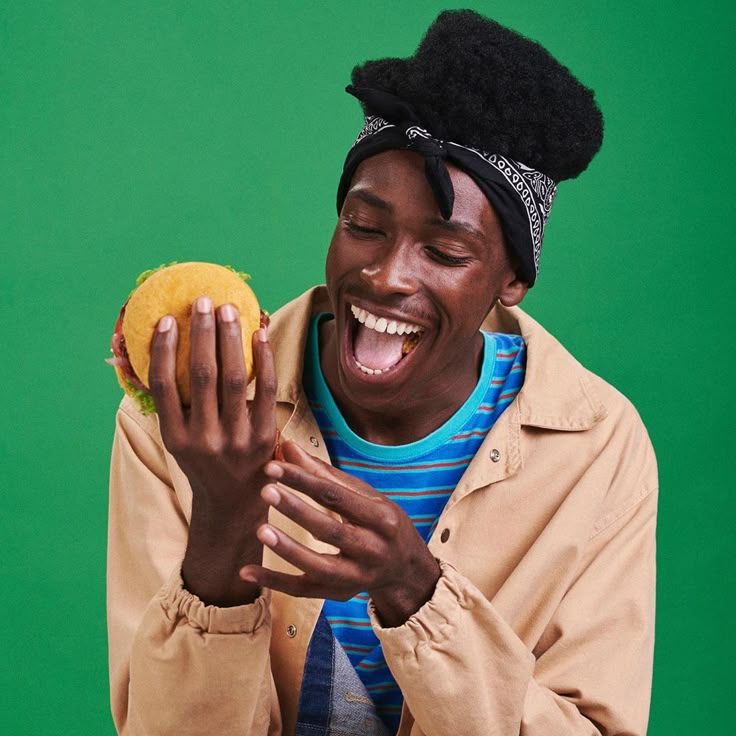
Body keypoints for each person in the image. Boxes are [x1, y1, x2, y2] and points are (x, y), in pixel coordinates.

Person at [108, 10, 657, 736]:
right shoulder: (187, 420)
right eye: (364, 227)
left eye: (446, 251)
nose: (387, 275)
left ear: (512, 279)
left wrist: (416, 591)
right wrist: (223, 529)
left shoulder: (597, 447)